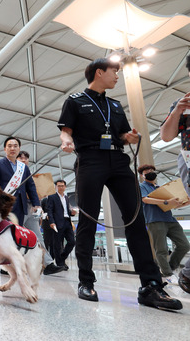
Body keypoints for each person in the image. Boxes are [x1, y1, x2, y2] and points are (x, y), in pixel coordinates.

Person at [58, 57, 181, 310]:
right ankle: (86, 281)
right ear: (99, 72)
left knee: (135, 220)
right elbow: (66, 129)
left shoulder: (115, 105)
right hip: (90, 159)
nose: (117, 76)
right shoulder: (75, 101)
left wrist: (129, 137)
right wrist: (66, 140)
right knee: (89, 220)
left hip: (118, 160)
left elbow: (122, 134)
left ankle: (151, 286)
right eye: (114, 72)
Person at [159, 54, 190, 293]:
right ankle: (186, 273)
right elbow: (167, 136)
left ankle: (188, 273)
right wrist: (178, 111)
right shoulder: (182, 103)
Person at [138, 164, 190, 284]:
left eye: (152, 170)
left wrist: (185, 202)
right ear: (142, 175)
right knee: (161, 249)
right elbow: (145, 199)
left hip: (170, 220)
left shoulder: (161, 188)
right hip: (154, 220)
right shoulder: (141, 186)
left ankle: (169, 268)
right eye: (147, 171)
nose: (150, 172)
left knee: (184, 245)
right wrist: (166, 201)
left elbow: (173, 204)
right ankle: (168, 274)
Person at [16, 151, 64, 275]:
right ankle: (8, 265)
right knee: (14, 236)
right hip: (17, 207)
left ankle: (48, 264)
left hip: (30, 207)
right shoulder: (13, 174)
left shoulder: (30, 175)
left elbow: (33, 190)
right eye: (20, 158)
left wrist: (38, 203)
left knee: (38, 237)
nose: (24, 160)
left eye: (26, 158)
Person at [0, 137, 40, 227]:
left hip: (20, 205)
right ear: (5, 149)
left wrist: (36, 203)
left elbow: (30, 186)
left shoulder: (23, 167)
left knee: (17, 232)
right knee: (3, 231)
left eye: (15, 146)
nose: (12, 148)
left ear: (19, 149)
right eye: (9, 146)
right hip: (4, 205)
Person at [45, 179, 76, 270]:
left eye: (62, 186)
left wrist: (72, 213)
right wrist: (51, 222)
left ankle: (61, 258)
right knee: (57, 244)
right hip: (57, 223)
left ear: (65, 187)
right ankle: (60, 263)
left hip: (67, 222)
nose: (61, 187)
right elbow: (49, 211)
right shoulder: (52, 197)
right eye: (59, 186)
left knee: (72, 241)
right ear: (56, 187)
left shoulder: (66, 197)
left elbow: (66, 211)